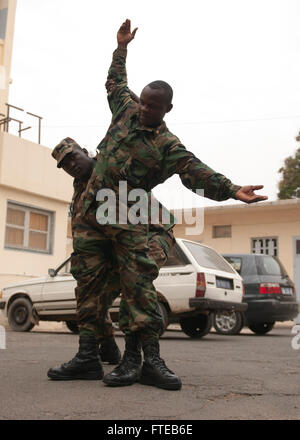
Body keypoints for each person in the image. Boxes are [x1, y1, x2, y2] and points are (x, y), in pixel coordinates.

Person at [48, 19, 267, 391]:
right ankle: (87, 357)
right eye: (143, 102)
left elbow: (196, 170)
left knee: (138, 286)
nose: (145, 110)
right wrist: (121, 48)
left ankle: (149, 359)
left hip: (127, 215)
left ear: (167, 108)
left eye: (153, 107)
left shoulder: (167, 145)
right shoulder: (125, 109)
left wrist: (231, 189)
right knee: (87, 284)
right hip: (90, 215)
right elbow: (115, 82)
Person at [49, 139, 176, 384]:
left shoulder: (110, 170)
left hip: (151, 232)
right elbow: (86, 241)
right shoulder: (81, 189)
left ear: (84, 151)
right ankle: (92, 354)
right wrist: (86, 273)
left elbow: (128, 232)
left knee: (135, 282)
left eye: (73, 156)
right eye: (65, 164)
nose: (72, 164)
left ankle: (140, 359)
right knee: (89, 287)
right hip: (115, 240)